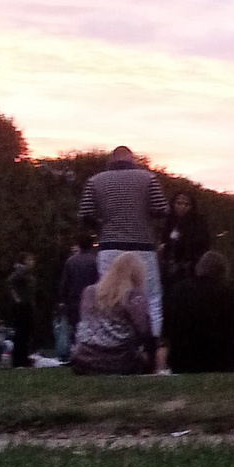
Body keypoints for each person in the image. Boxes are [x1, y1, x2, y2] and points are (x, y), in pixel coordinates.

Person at [78, 145, 169, 339]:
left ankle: (111, 340)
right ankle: (151, 345)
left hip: (109, 245)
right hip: (142, 245)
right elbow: (161, 209)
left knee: (109, 296)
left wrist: (101, 224)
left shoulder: (95, 181)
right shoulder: (148, 178)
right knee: (151, 297)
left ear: (111, 160)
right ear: (132, 159)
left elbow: (85, 214)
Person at [165, 250, 234, 373]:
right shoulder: (229, 295)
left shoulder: (178, 291)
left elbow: (167, 329)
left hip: (180, 363)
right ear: (223, 272)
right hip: (219, 363)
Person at [70, 252, 154, 374]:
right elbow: (145, 332)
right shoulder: (134, 297)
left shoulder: (89, 292)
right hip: (120, 362)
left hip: (84, 361)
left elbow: (84, 324)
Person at [160, 189, 210, 287]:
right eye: (179, 203)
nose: (182, 207)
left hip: (187, 272)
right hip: (167, 271)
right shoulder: (169, 222)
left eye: (186, 204)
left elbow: (199, 246)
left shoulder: (198, 225)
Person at [7, 253, 36, 367]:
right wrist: (17, 298)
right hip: (21, 306)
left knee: (25, 333)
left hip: (27, 305)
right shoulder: (20, 272)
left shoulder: (28, 274)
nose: (32, 262)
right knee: (21, 333)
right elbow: (10, 283)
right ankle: (19, 359)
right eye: (29, 260)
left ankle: (23, 357)